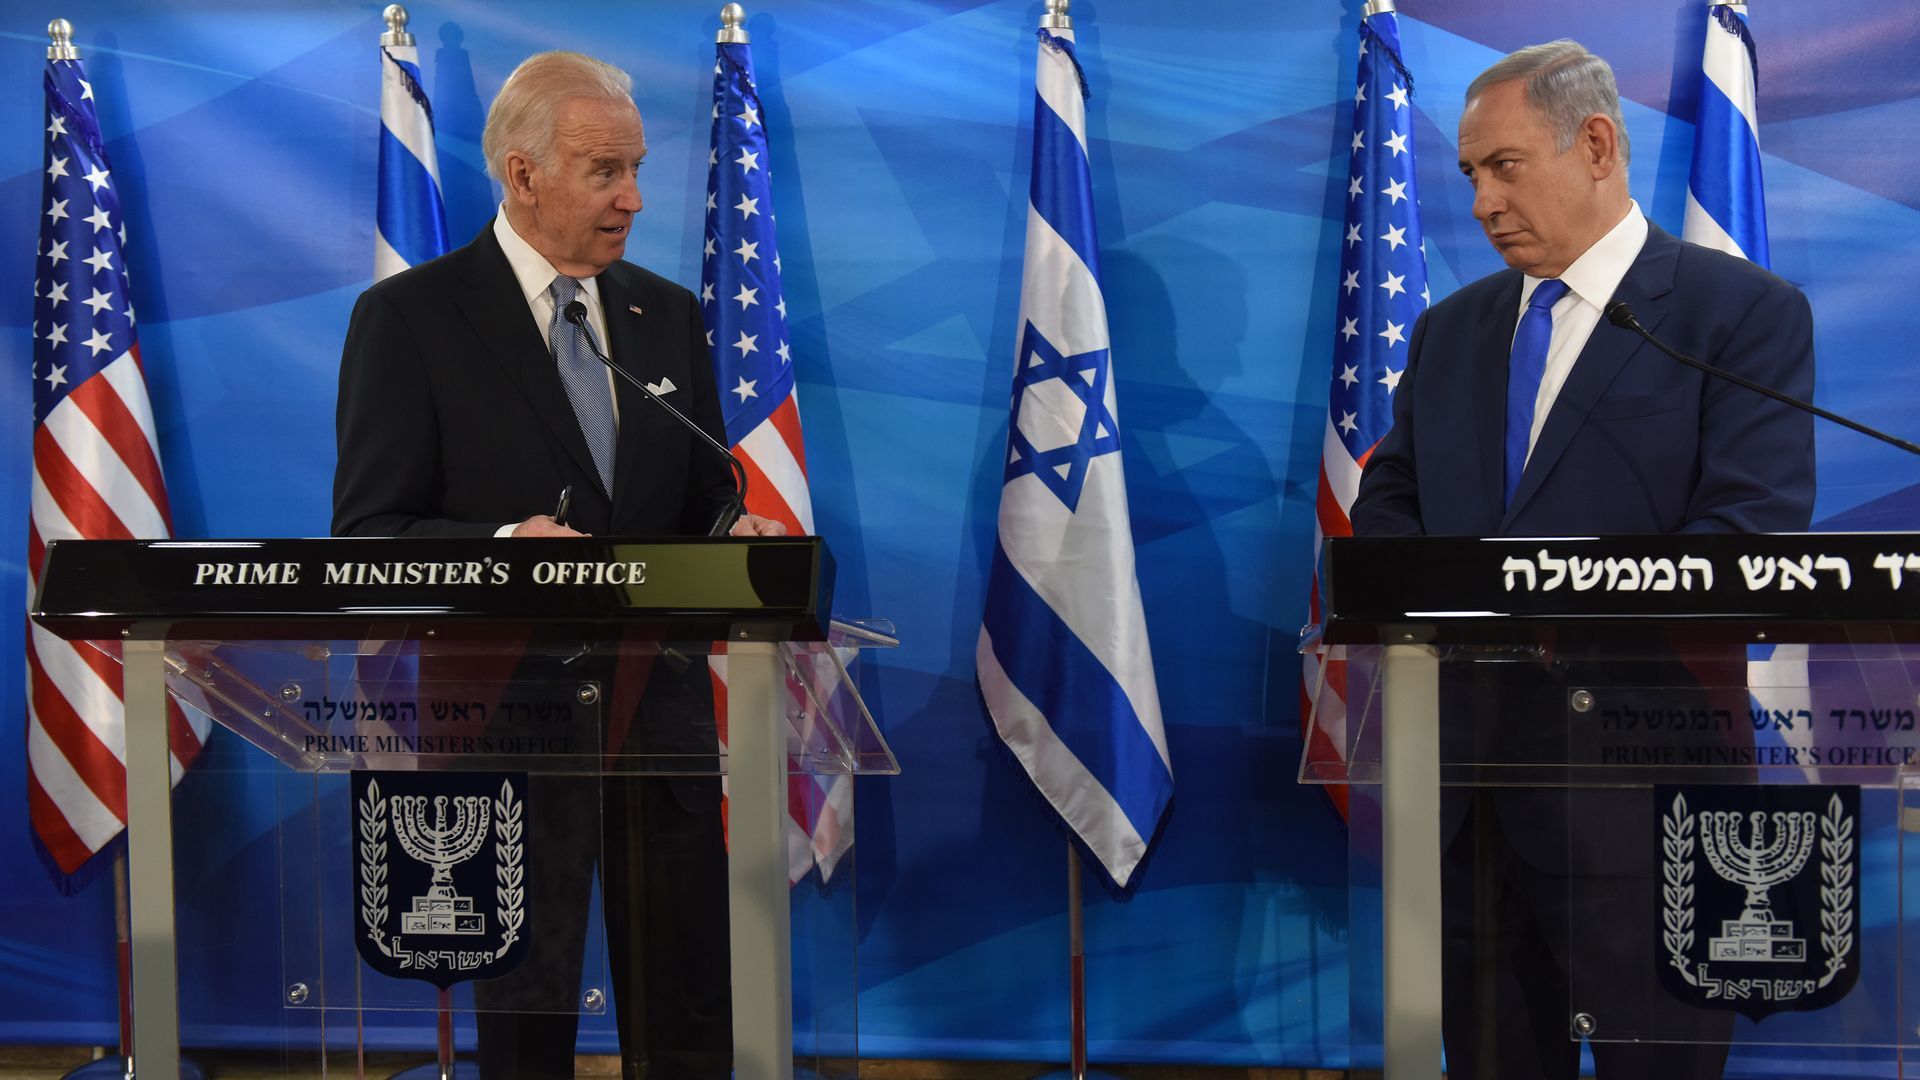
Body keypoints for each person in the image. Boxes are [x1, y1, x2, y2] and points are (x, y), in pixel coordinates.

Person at [1351, 40, 1815, 1080]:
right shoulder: (1449, 333)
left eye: (1504, 166)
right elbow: (1391, 512)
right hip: (1468, 801)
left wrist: (1536, 605)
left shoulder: (1736, 317)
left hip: (1646, 795)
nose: (1479, 201)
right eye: (1470, 173)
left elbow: (1750, 535)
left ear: (1597, 144)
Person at [334, 50, 782, 1078]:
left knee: (688, 1024)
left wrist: (731, 536)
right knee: (526, 1038)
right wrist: (501, 555)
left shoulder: (664, 314)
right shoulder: (412, 319)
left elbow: (705, 493)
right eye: (602, 171)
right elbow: (368, 535)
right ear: (521, 173)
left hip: (658, 728)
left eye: (636, 169)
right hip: (506, 731)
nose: (631, 198)